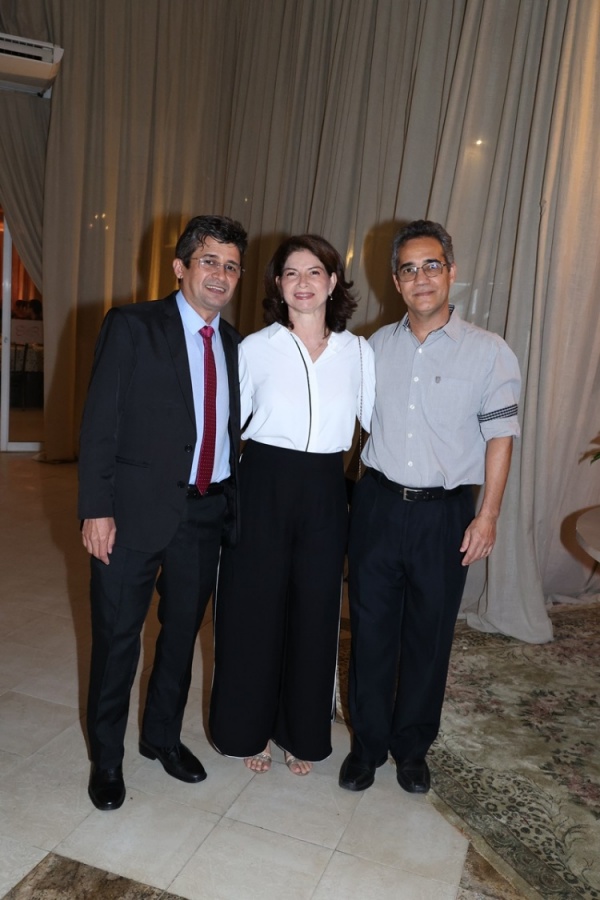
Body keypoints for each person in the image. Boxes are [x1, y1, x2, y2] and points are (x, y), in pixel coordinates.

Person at [339, 219, 521, 795]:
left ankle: (412, 748)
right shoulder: (372, 349)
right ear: (396, 281)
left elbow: (500, 438)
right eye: (409, 269)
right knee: (371, 631)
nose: (421, 278)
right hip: (377, 505)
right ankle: (367, 747)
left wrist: (487, 515)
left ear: (451, 272)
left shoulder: (489, 353)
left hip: (445, 516)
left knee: (429, 635)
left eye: (432, 265)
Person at [78, 214, 248, 810]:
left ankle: (161, 738)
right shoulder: (132, 325)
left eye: (231, 266)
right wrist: (96, 509)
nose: (220, 275)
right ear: (180, 267)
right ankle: (106, 758)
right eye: (209, 261)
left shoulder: (235, 344)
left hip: (204, 513)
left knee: (179, 637)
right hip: (129, 514)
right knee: (117, 639)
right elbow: (99, 423)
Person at [209, 234, 375, 775]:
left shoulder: (358, 352)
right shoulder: (254, 348)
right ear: (278, 286)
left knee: (315, 611)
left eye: (314, 272)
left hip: (326, 488)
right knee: (253, 609)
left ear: (333, 282)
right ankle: (247, 730)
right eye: (291, 274)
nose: (303, 283)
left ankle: (298, 731)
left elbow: (379, 424)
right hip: (262, 483)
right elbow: (226, 427)